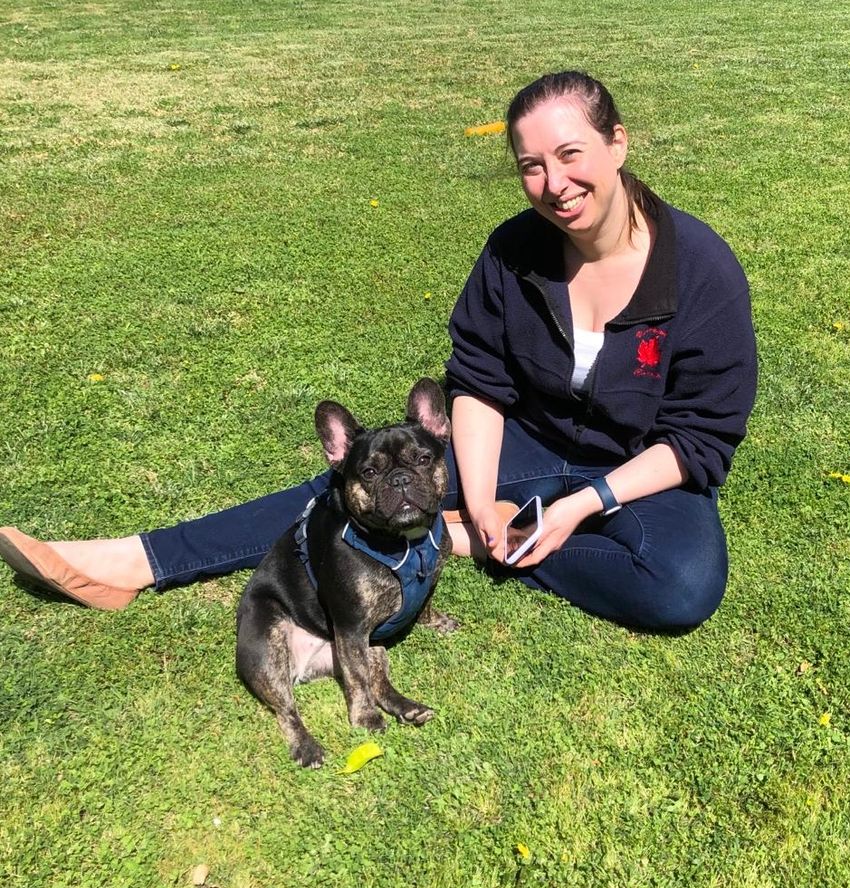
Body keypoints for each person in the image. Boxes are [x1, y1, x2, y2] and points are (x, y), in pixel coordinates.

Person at [0, 71, 757, 631]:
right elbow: (481, 382)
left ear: (618, 143)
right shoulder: (513, 251)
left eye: (571, 153)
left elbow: (699, 439)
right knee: (348, 482)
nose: (554, 183)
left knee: (680, 587)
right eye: (532, 165)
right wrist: (486, 486)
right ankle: (135, 560)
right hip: (526, 441)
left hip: (638, 465)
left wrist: (582, 505)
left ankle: (453, 537)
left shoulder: (700, 268)